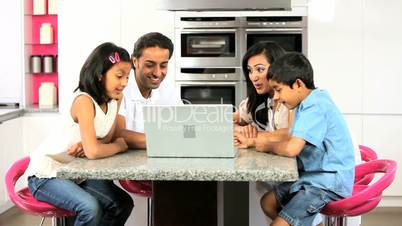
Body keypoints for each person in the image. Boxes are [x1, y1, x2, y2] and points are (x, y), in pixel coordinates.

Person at [237, 52, 355, 226]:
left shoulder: (315, 106)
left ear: (298, 84)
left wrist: (262, 144)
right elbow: (292, 135)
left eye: (278, 89)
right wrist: (257, 141)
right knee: (267, 203)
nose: (275, 97)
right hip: (312, 177)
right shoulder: (307, 102)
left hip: (327, 182)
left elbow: (292, 148)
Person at [26, 42, 134, 226]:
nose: (124, 83)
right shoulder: (84, 101)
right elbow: (95, 151)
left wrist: (94, 145)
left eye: (127, 77)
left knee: (122, 204)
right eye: (119, 76)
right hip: (46, 174)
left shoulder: (114, 99)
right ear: (100, 74)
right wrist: (119, 145)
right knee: (90, 208)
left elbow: (105, 138)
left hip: (76, 173)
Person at [116, 32, 182, 147]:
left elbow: (185, 126)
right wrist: (167, 140)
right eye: (150, 65)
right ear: (135, 61)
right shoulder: (120, 87)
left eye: (163, 65)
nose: (157, 73)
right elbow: (118, 134)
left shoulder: (168, 90)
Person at [233, 41, 291, 149]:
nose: (253, 77)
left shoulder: (292, 97)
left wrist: (252, 137)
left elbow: (290, 134)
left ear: (277, 68)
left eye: (260, 69)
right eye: (250, 71)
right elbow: (226, 120)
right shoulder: (259, 99)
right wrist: (239, 130)